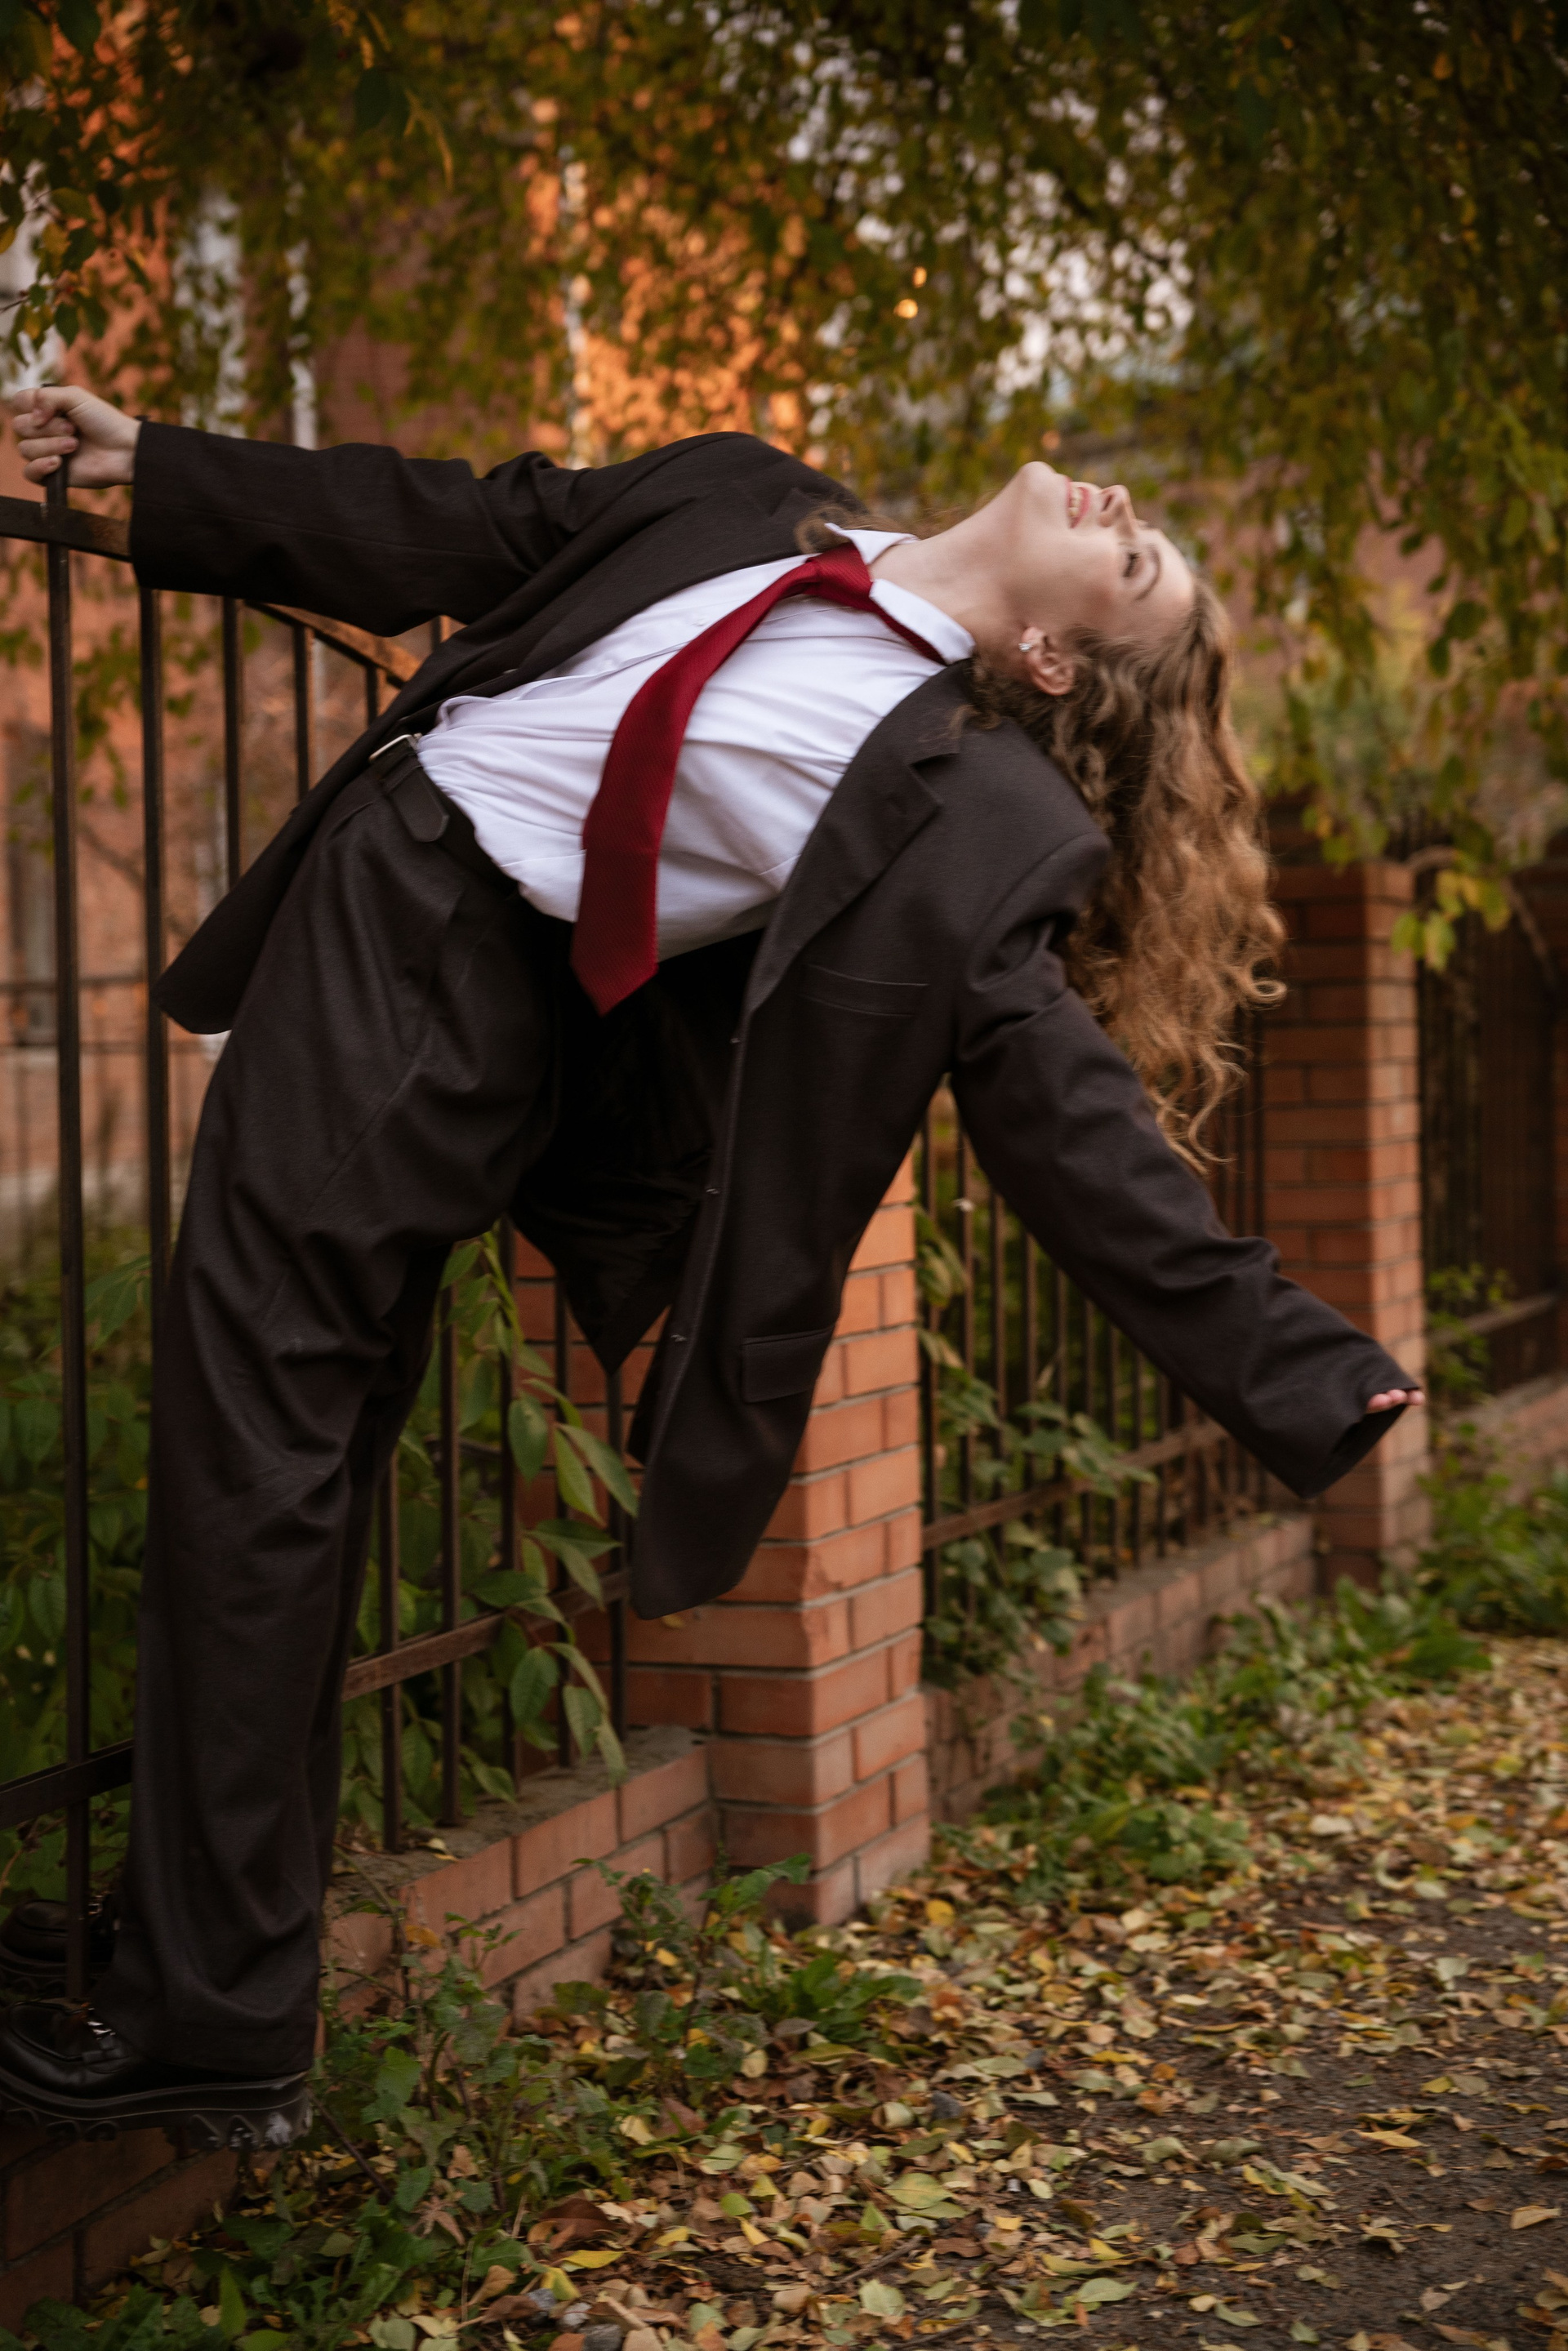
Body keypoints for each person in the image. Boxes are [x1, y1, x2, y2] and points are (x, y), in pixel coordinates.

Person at [0, 385, 1421, 2146]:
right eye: (1141, 527)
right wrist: (159, 465)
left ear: (1054, 660)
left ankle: (206, 2010)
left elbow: (1073, 1125)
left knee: (255, 1448)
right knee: (293, 1468)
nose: (1123, 510)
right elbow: (461, 523)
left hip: (438, 986)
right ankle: (208, 1964)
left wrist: (1302, 1365)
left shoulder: (980, 818)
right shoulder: (744, 497)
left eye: (1137, 564)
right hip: (381, 913)